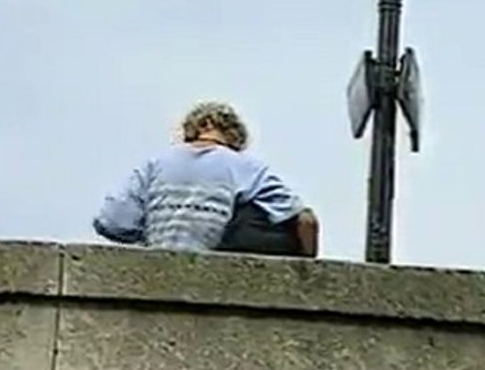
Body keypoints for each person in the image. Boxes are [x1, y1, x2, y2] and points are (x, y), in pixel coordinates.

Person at [93, 102, 319, 257]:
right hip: (216, 269)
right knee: (261, 214)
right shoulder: (243, 165)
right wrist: (307, 269)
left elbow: (111, 221)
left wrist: (149, 232)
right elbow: (306, 220)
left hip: (157, 264)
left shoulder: (155, 164)